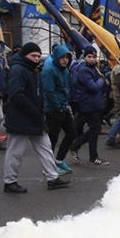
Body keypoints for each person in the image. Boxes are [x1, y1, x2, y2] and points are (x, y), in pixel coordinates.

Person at [3, 42, 70, 193]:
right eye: (33, 55)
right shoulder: (18, 70)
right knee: (15, 151)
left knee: (45, 147)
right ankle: (10, 181)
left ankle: (52, 177)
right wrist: (35, 111)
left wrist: (39, 111)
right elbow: (16, 94)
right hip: (20, 118)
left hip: (34, 116)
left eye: (38, 56)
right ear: (24, 55)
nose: (36, 58)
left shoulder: (32, 70)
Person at [70, 46, 109, 165]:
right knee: (95, 129)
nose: (92, 59)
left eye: (94, 57)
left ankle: (91, 155)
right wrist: (101, 80)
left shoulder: (93, 68)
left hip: (94, 104)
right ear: (85, 57)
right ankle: (77, 146)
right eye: (89, 57)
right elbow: (93, 87)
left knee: (94, 130)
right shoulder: (84, 70)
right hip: (88, 104)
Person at [41, 43, 75, 174]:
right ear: (56, 57)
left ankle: (59, 160)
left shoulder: (65, 70)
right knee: (52, 138)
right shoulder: (49, 70)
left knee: (71, 133)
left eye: (67, 57)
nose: (65, 60)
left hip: (64, 107)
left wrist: (66, 104)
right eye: (62, 57)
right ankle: (48, 167)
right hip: (53, 109)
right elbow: (49, 92)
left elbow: (66, 88)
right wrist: (58, 106)